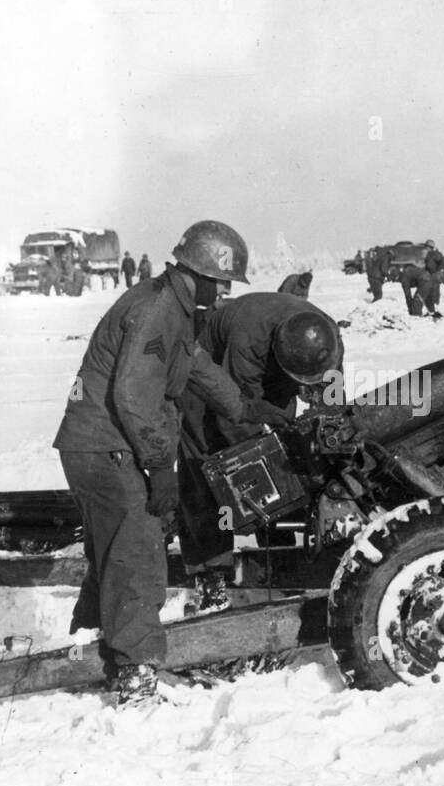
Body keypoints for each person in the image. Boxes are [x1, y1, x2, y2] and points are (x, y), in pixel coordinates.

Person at [53, 220, 289, 704]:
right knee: (138, 547)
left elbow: (198, 366)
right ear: (197, 273)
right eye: (221, 281)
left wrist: (245, 408)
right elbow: (134, 396)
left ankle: (90, 638)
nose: (225, 292)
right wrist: (162, 467)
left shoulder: (177, 309)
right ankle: (135, 673)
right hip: (105, 444)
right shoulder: (160, 308)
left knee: (116, 545)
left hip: (97, 443)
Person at [177, 293, 343, 591]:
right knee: (205, 469)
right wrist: (260, 466)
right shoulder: (247, 337)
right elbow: (235, 413)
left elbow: (332, 402)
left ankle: (279, 545)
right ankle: (210, 572)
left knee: (288, 454)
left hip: (274, 378)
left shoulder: (326, 338)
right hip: (207, 381)